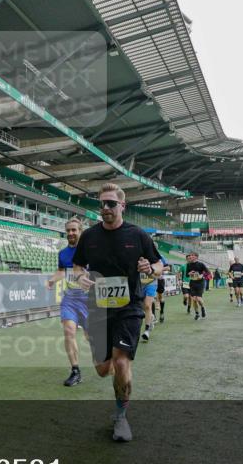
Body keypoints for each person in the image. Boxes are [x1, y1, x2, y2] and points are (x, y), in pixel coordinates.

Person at [73, 183, 163, 442]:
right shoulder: (89, 236)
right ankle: (117, 372)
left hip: (130, 307)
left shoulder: (137, 235)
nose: (105, 208)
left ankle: (121, 416)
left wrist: (150, 269)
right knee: (103, 369)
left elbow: (159, 264)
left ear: (122, 206)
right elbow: (78, 266)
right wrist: (80, 277)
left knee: (121, 361)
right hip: (99, 309)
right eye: (102, 203)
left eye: (111, 203)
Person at [46, 216, 88, 386]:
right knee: (69, 331)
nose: (71, 233)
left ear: (80, 231)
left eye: (74, 230)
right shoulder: (63, 254)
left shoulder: (90, 250)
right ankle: (75, 371)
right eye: (68, 230)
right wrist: (51, 280)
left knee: (90, 338)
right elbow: (62, 271)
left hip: (89, 300)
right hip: (70, 298)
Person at [185, 253, 211, 320]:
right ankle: (197, 313)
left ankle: (202, 308)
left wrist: (202, 275)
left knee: (199, 299)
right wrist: (189, 273)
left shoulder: (201, 264)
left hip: (200, 283)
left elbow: (208, 272)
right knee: (194, 299)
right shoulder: (188, 265)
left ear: (196, 257)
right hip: (192, 283)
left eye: (193, 256)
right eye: (190, 256)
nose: (191, 257)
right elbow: (187, 275)